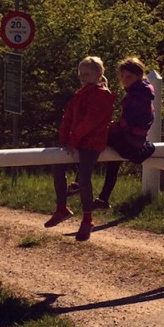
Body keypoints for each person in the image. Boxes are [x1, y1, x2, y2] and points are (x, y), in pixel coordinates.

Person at [45, 56, 116, 241]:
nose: (83, 76)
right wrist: (64, 140)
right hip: (76, 142)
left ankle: (87, 219)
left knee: (84, 177)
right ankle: (61, 207)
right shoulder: (79, 94)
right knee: (57, 165)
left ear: (98, 74)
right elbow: (67, 117)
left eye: (87, 73)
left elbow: (90, 122)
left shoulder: (103, 95)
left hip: (92, 143)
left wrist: (73, 141)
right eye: (81, 73)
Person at [93, 57, 156, 210]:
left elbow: (128, 123)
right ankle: (103, 198)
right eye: (122, 76)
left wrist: (113, 126)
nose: (124, 80)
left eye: (129, 76)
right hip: (135, 140)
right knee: (113, 163)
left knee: (94, 138)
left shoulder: (137, 95)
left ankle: (79, 183)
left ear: (139, 76)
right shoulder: (143, 92)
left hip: (130, 143)